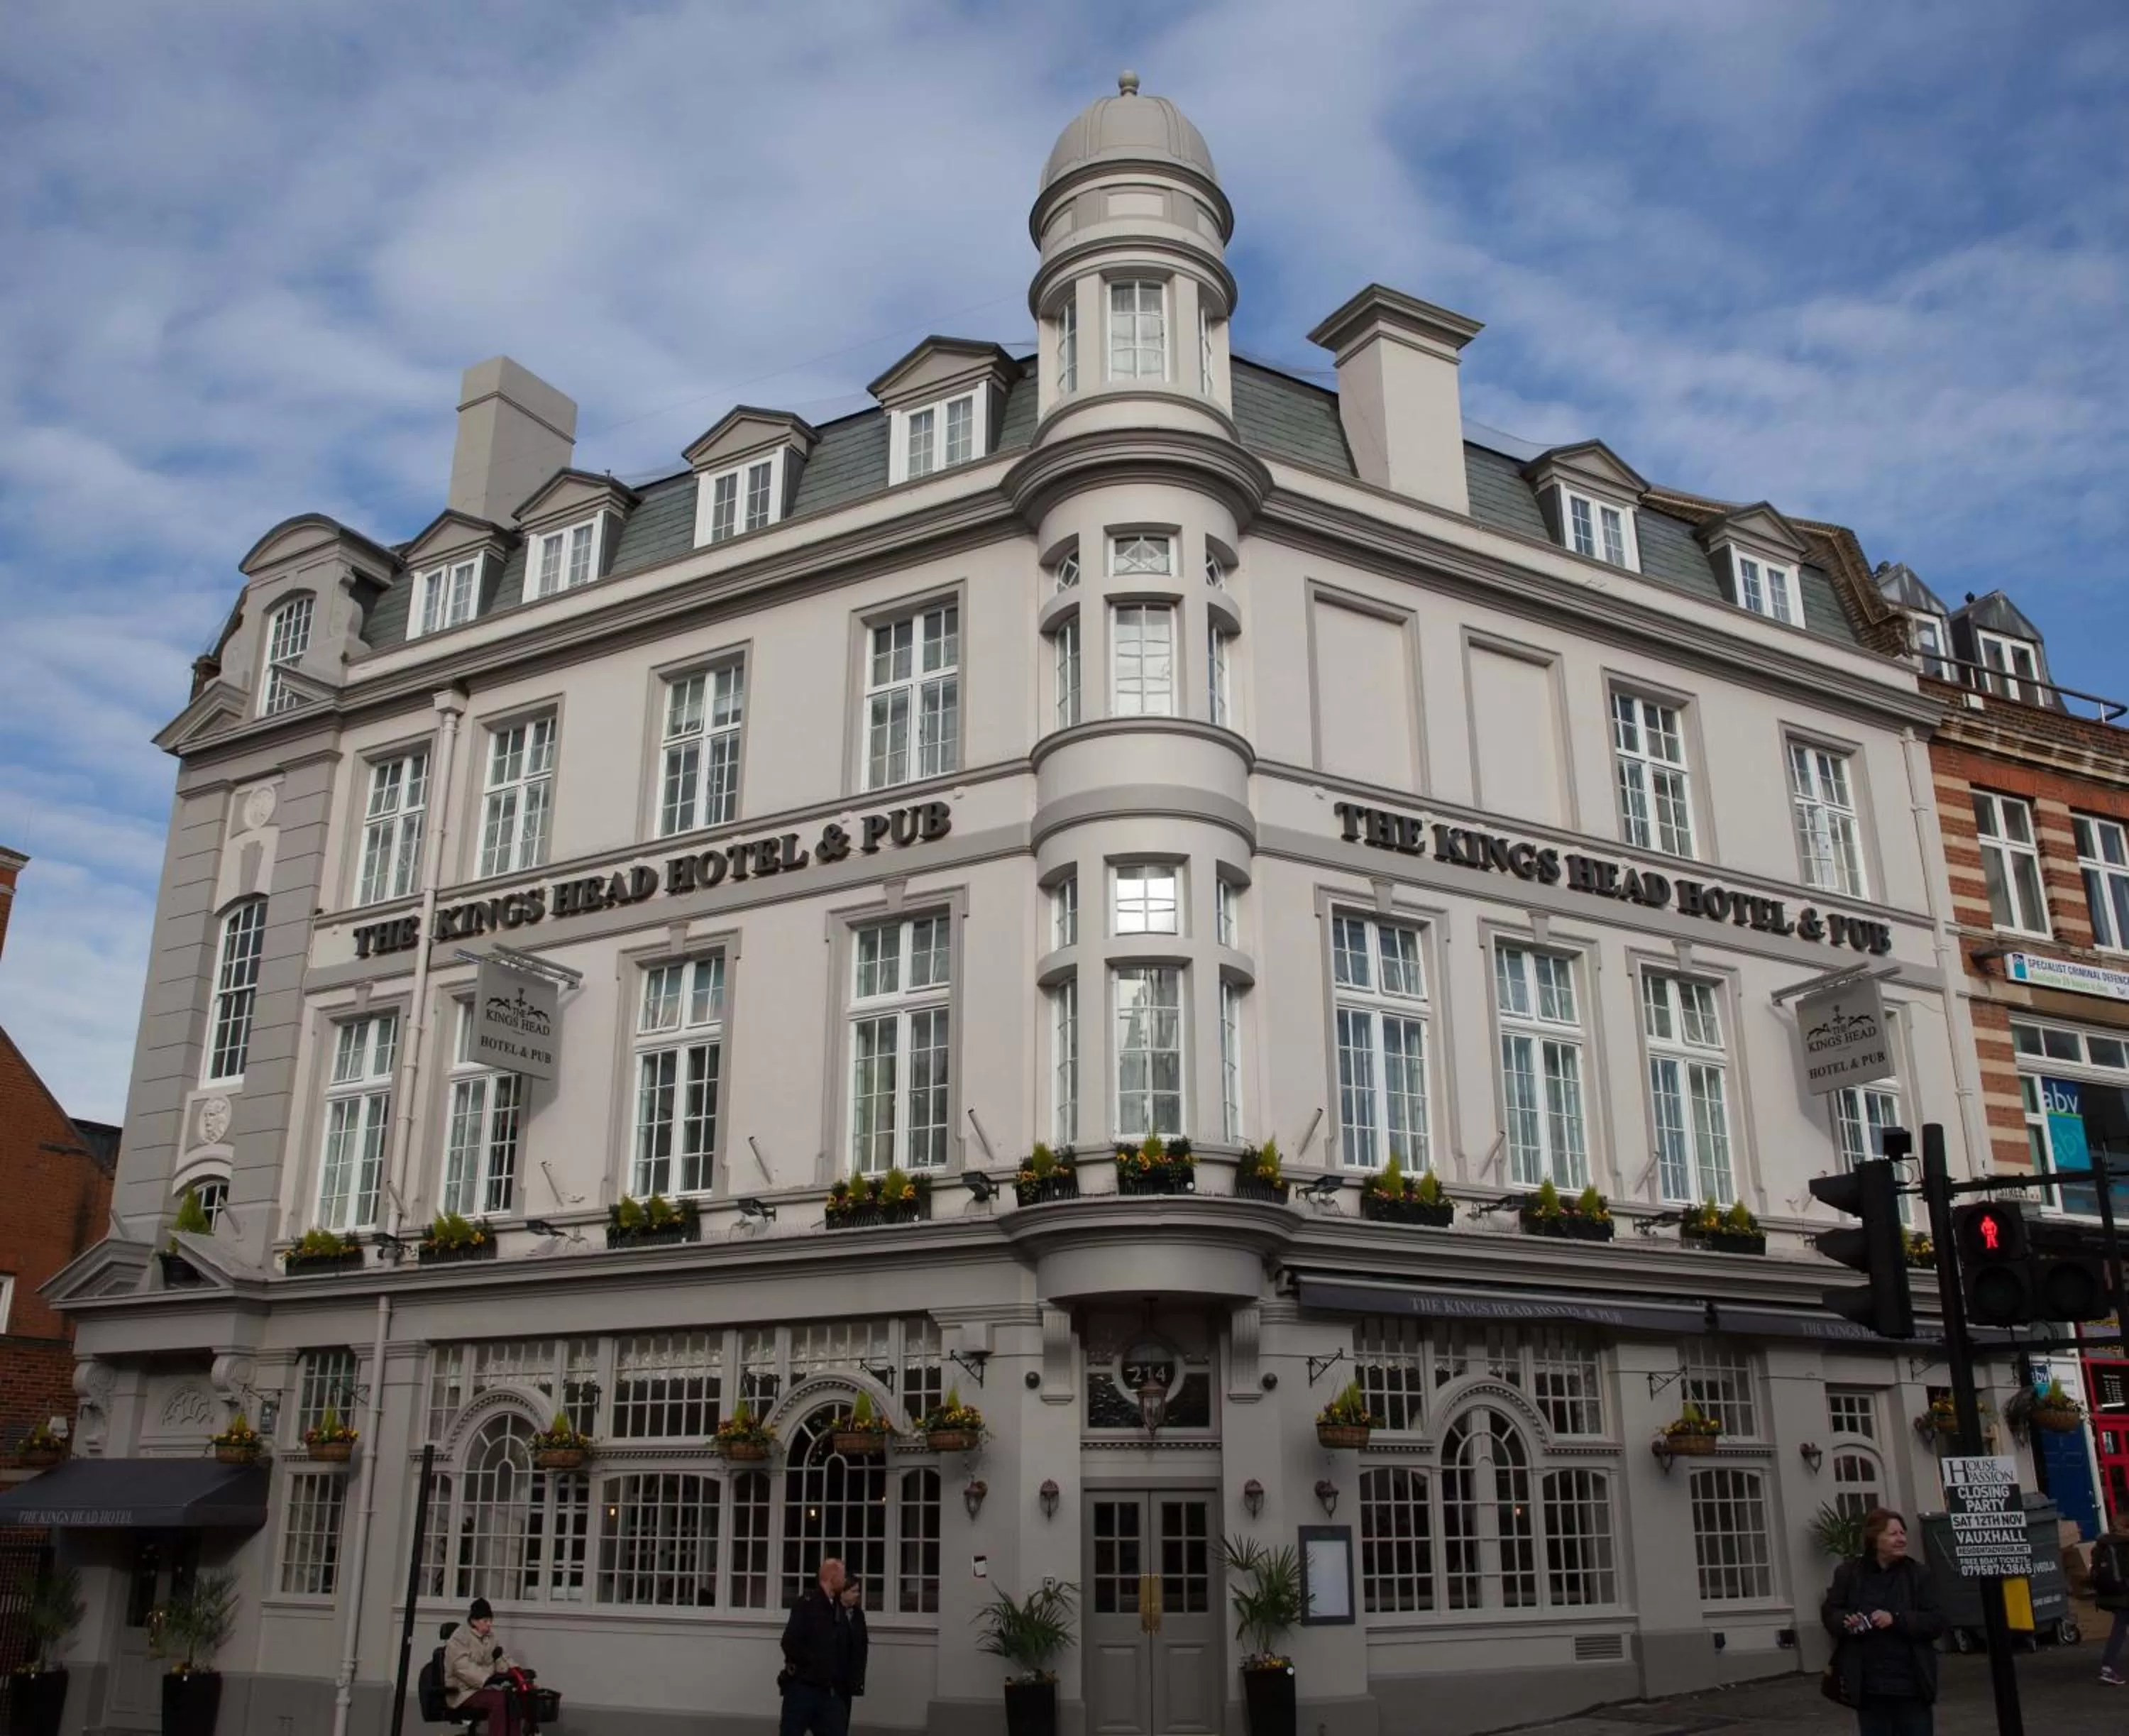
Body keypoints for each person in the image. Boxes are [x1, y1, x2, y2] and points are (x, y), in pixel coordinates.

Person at [1821, 1508, 1945, 1736]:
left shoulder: (1918, 1575)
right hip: (1869, 1686)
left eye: (1902, 1533)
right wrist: (1846, 1620)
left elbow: (1936, 1621)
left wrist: (1896, 1619)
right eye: (1893, 1534)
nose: (1901, 1539)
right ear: (1874, 1539)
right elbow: (1831, 1613)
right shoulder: (1848, 1574)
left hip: (1911, 1685)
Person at [780, 1556, 849, 1736]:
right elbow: (789, 1642)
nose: (845, 1580)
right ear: (832, 1576)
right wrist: (813, 1663)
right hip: (803, 1687)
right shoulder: (807, 1604)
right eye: (842, 1575)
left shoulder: (837, 1608)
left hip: (828, 1690)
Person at [444, 1597, 524, 1736]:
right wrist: (487, 1677)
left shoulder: (489, 1637)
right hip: (463, 1691)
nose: (489, 1625)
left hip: (482, 1688)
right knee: (498, 1701)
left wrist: (516, 1670)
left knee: (511, 1698)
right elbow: (462, 1667)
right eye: (485, 1621)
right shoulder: (459, 1638)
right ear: (474, 1621)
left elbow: (501, 1656)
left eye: (490, 1621)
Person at [2093, 1507, 2129, 1683]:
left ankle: (2108, 1667)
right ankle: (2108, 1667)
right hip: (2125, 1594)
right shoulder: (2125, 1545)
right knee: (2120, 1630)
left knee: (2120, 1629)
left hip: (2110, 1594)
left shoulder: (2103, 1543)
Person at [836, 1575, 870, 1724]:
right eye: (854, 1591)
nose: (858, 1595)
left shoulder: (858, 1615)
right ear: (842, 1592)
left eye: (858, 1591)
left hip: (849, 1678)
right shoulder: (831, 1613)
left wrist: (858, 1677)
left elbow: (862, 1646)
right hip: (832, 1678)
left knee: (844, 1718)